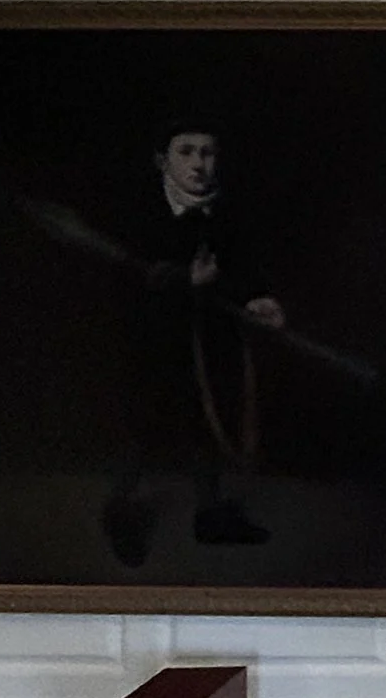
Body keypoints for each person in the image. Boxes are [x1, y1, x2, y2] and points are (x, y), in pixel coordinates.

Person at [100, 123, 288, 564]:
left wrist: (259, 300)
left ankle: (211, 516)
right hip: (153, 343)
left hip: (211, 341)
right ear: (162, 161)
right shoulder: (140, 212)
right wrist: (183, 279)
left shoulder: (226, 215)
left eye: (207, 152)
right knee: (144, 430)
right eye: (186, 152)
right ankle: (121, 513)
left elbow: (244, 268)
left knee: (207, 427)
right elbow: (128, 272)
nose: (199, 164)